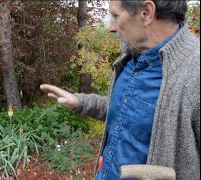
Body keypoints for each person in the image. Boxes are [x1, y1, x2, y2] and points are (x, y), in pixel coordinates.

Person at [40, 0, 200, 179]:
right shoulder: (130, 58)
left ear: (146, 12)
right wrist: (80, 102)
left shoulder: (195, 73)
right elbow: (125, 112)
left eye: (115, 15)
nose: (111, 27)